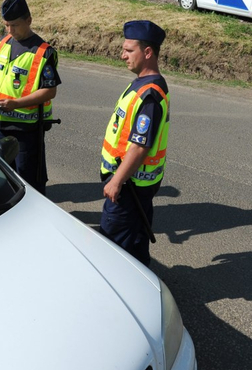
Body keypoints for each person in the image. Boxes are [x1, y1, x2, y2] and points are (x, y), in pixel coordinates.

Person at [99, 20, 170, 266]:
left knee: (113, 250)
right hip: (136, 185)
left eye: (129, 50)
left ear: (147, 52)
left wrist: (116, 180)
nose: (122, 55)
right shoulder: (142, 83)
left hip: (129, 187)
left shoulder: (150, 93)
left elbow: (140, 146)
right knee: (136, 247)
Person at [0, 0, 60, 195]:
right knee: (5, 177)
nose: (10, 30)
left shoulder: (43, 52)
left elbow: (49, 91)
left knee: (29, 180)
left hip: (27, 129)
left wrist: (16, 104)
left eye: (14, 25)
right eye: (6, 25)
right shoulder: (2, 43)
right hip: (1, 124)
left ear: (29, 20)